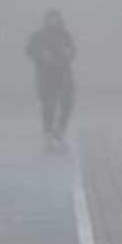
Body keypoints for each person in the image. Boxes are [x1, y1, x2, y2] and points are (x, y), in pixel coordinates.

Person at [26, 9, 77, 147]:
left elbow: (73, 50)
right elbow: (29, 50)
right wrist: (41, 55)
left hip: (64, 75)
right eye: (50, 19)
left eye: (56, 18)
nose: (53, 21)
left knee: (68, 102)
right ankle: (48, 133)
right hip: (45, 76)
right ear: (46, 20)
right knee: (48, 105)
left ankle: (60, 130)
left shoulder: (65, 34)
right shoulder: (39, 35)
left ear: (60, 20)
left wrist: (70, 53)